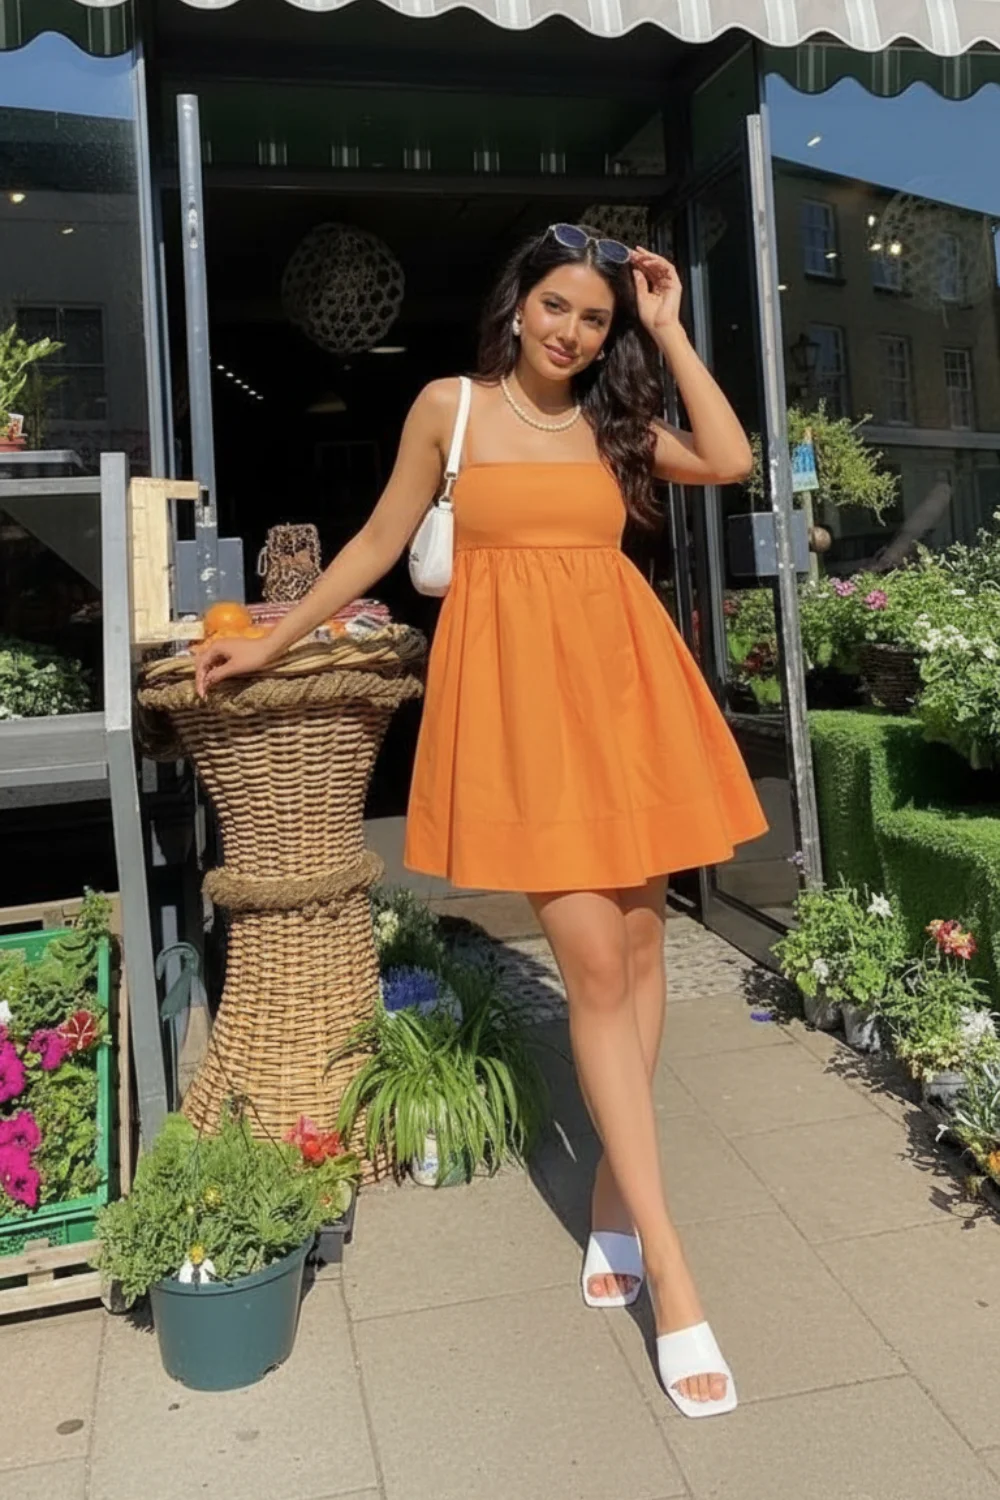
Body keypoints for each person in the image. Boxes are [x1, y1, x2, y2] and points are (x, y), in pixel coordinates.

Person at [196, 223, 767, 1419]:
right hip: (519, 713)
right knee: (594, 966)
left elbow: (728, 455)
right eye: (557, 307)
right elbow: (373, 545)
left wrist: (666, 326)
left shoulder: (612, 428)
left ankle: (614, 1197)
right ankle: (670, 1265)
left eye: (594, 319)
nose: (571, 331)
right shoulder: (446, 406)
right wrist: (267, 640)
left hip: (625, 695)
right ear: (518, 309)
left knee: (646, 943)